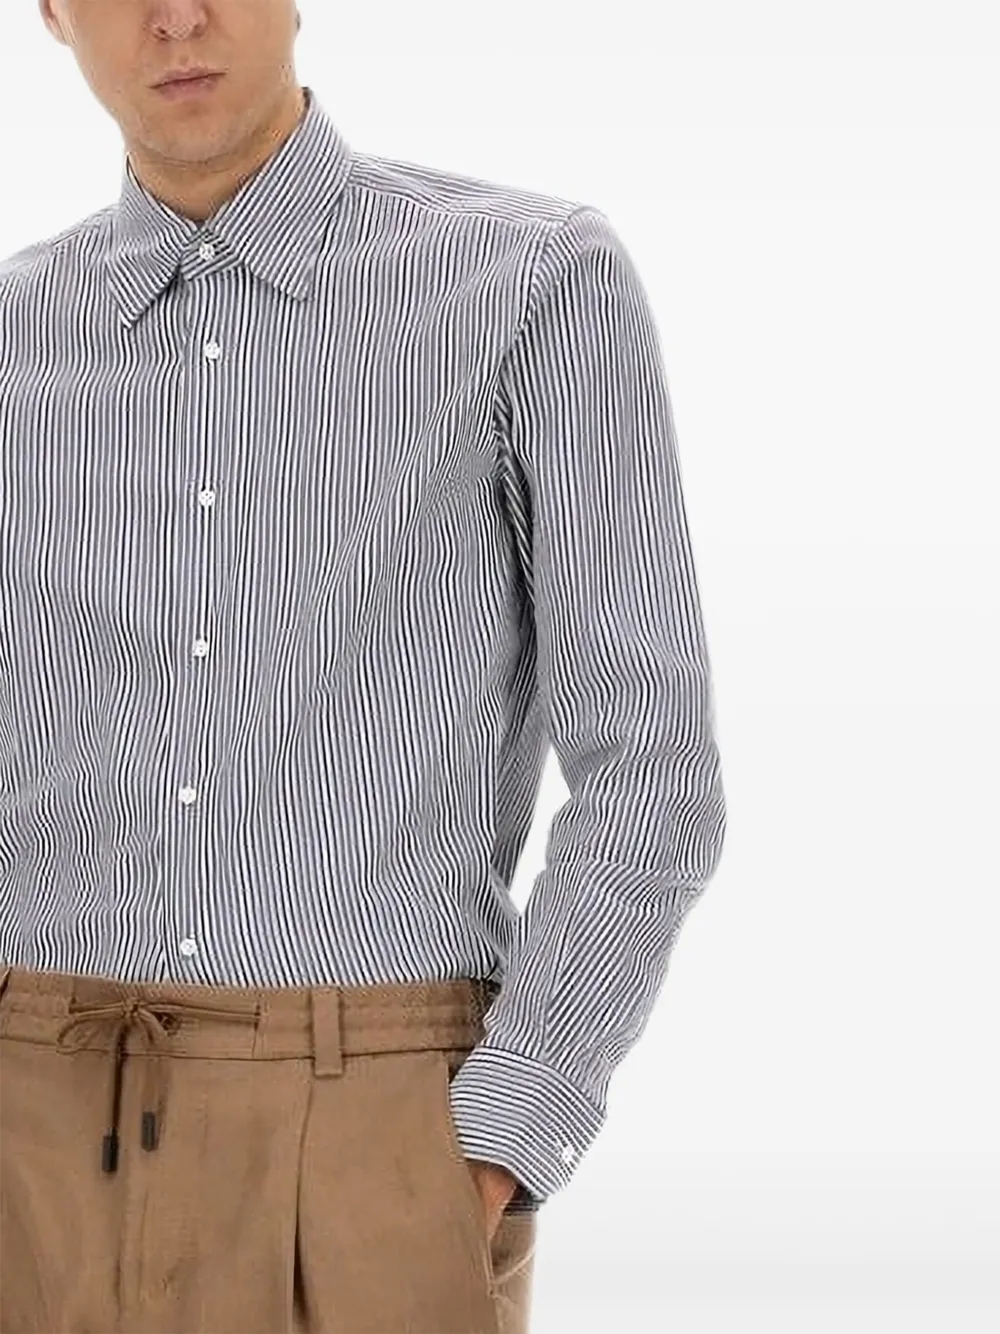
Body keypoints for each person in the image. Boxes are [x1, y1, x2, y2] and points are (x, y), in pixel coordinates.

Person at [0, 2, 727, 1331]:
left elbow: (653, 773)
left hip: (373, 1141)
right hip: (27, 1128)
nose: (177, 17)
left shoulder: (529, 279)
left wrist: (500, 1138)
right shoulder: (12, 336)